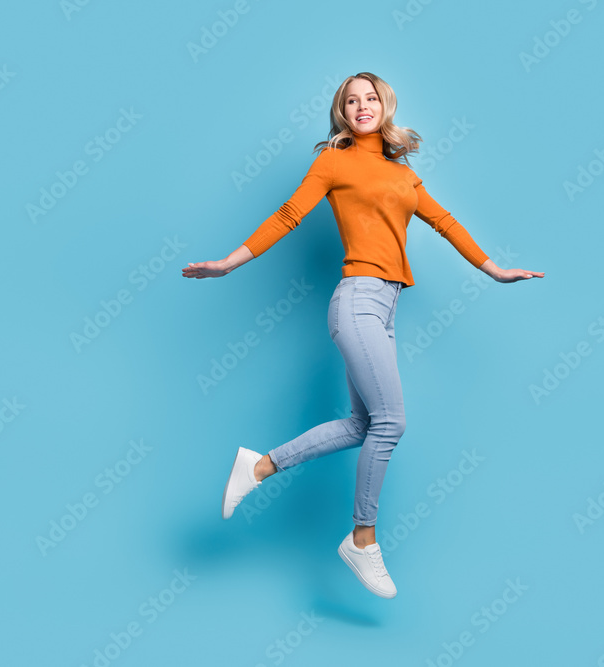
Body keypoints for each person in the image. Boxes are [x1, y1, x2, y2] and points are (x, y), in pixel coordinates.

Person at [182, 72, 544, 598]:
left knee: (363, 424)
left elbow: (444, 221)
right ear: (341, 113)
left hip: (387, 306)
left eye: (369, 97)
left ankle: (257, 465)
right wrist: (228, 264)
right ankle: (362, 538)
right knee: (391, 422)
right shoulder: (334, 162)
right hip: (357, 299)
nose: (361, 106)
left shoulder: (403, 175)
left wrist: (494, 269)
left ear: (385, 105)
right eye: (350, 101)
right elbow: (288, 215)